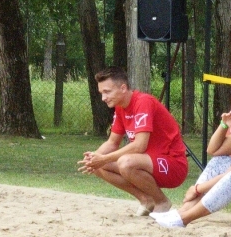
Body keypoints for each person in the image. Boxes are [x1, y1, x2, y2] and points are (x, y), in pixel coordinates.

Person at [154, 86, 231, 228]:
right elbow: (213, 150)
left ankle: (184, 218)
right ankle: (182, 211)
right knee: (220, 161)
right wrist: (224, 124)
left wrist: (197, 188)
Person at [78, 67, 188, 215]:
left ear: (123, 88)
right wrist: (94, 158)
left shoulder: (143, 102)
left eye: (107, 92)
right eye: (101, 93)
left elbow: (139, 146)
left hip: (172, 164)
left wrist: (103, 158)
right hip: (148, 164)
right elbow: (112, 142)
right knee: (99, 166)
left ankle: (162, 202)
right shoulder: (120, 108)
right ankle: (146, 200)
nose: (103, 98)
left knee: (125, 162)